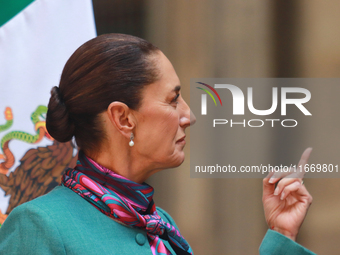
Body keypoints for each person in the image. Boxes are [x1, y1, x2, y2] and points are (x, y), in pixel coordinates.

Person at [0, 34, 314, 254]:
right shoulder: (39, 226)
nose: (188, 115)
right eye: (173, 99)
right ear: (123, 118)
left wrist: (281, 234)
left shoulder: (160, 224)